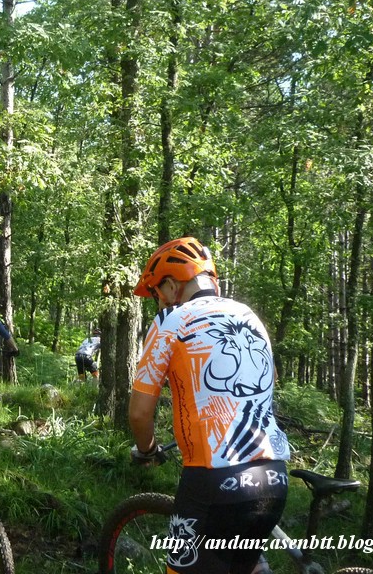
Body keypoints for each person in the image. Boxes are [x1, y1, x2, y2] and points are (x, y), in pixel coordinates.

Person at [128, 236, 291, 574]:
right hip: (273, 479)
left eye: (157, 293)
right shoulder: (249, 316)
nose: (158, 302)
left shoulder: (171, 320)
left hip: (214, 482)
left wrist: (147, 451)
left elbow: (140, 413)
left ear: (172, 286)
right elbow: (269, 378)